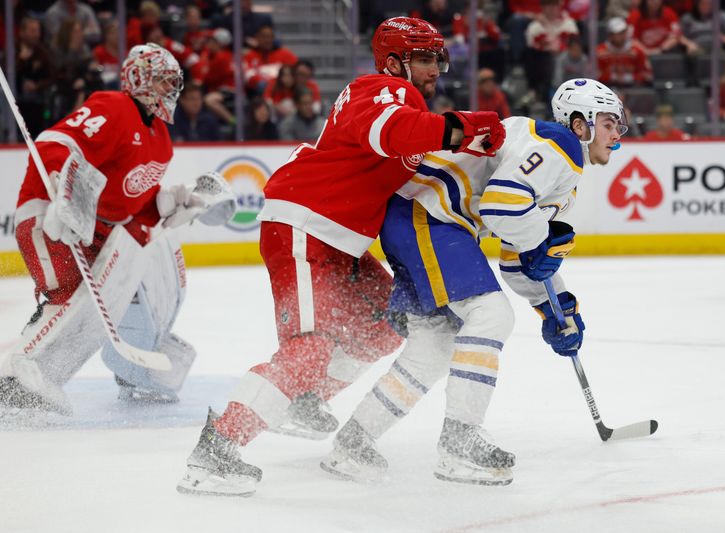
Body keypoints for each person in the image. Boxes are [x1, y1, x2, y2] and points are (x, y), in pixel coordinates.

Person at [176, 16, 505, 497]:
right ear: (394, 62)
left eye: (439, 58)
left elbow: (407, 160)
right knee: (307, 349)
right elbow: (394, 131)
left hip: (340, 242)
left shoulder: (405, 108)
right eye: (425, 58)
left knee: (391, 320)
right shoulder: (381, 90)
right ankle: (217, 448)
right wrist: (465, 126)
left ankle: (306, 397)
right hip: (304, 227)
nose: (436, 68)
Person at [321, 78, 626, 486]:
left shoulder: (562, 172)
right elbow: (504, 206)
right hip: (428, 213)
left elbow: (519, 256)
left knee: (435, 344)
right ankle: (459, 442)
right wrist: (540, 240)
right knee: (491, 315)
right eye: (609, 123)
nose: (618, 134)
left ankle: (354, 443)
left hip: (420, 218)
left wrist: (555, 308)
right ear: (579, 124)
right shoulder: (559, 145)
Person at [0, 44, 233, 414]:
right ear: (138, 78)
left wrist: (179, 205)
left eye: (175, 82)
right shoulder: (114, 107)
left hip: (96, 236)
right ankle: (15, 381)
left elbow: (134, 207)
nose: (171, 90)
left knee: (94, 307)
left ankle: (125, 372)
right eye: (163, 81)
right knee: (68, 294)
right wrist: (63, 190)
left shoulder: (161, 140)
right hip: (50, 218)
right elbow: (56, 142)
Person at [597, 17, 653, 87]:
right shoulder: (600, 52)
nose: (620, 36)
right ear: (609, 35)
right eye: (616, 33)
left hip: (633, 88)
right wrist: (613, 77)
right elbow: (595, 75)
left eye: (622, 32)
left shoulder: (636, 51)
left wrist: (629, 78)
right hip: (607, 87)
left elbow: (646, 74)